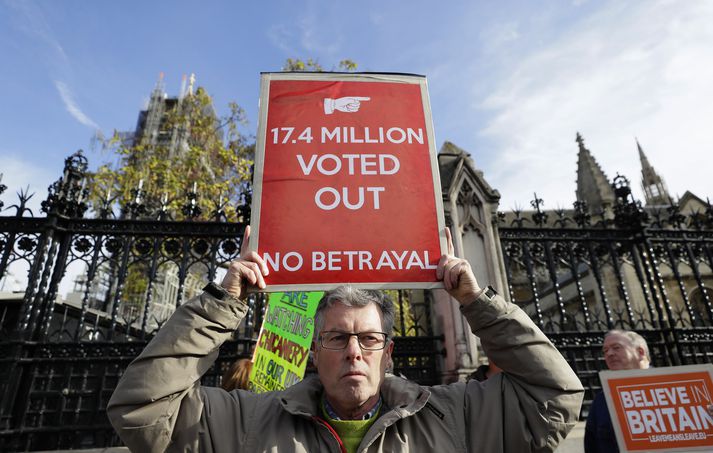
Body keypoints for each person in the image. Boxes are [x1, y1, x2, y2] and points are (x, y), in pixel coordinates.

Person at [108, 227, 584, 452]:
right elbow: (143, 410)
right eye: (337, 338)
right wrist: (221, 303)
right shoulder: (249, 420)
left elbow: (555, 398)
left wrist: (478, 304)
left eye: (368, 339)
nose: (354, 352)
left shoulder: (456, 415)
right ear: (315, 352)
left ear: (387, 352)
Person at [584, 329, 651, 453]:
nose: (609, 353)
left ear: (640, 352)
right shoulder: (602, 401)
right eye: (605, 351)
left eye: (616, 347)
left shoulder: (674, 389)